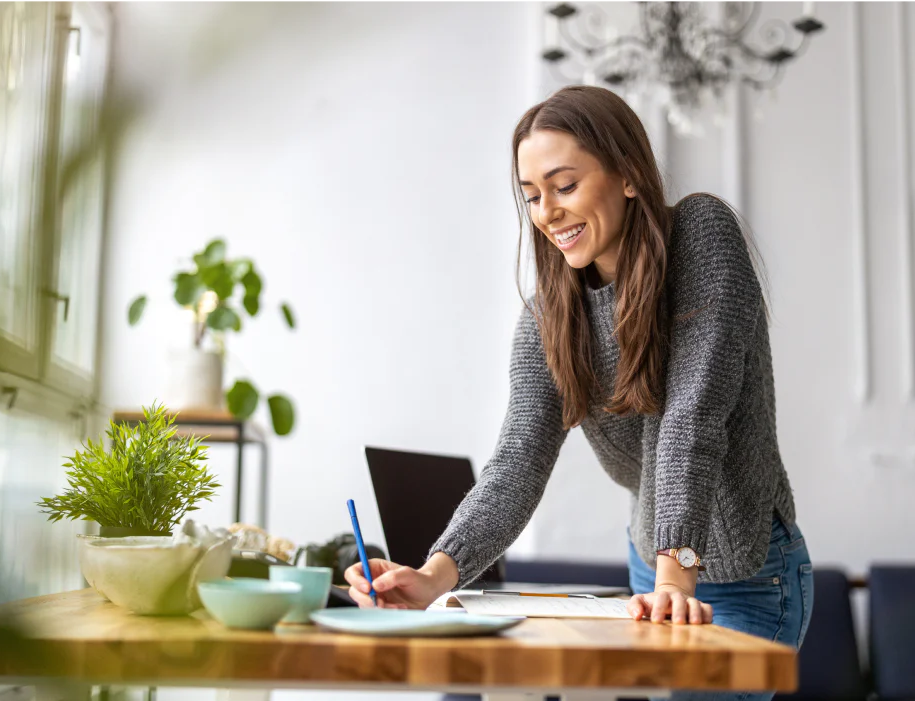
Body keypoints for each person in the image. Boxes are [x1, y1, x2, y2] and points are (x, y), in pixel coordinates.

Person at [346, 85, 813, 700]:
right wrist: (435, 575)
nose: (547, 213)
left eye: (564, 187)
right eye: (532, 196)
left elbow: (691, 417)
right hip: (653, 570)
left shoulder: (701, 235)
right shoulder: (550, 314)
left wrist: (676, 578)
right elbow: (516, 464)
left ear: (626, 175)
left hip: (746, 571)